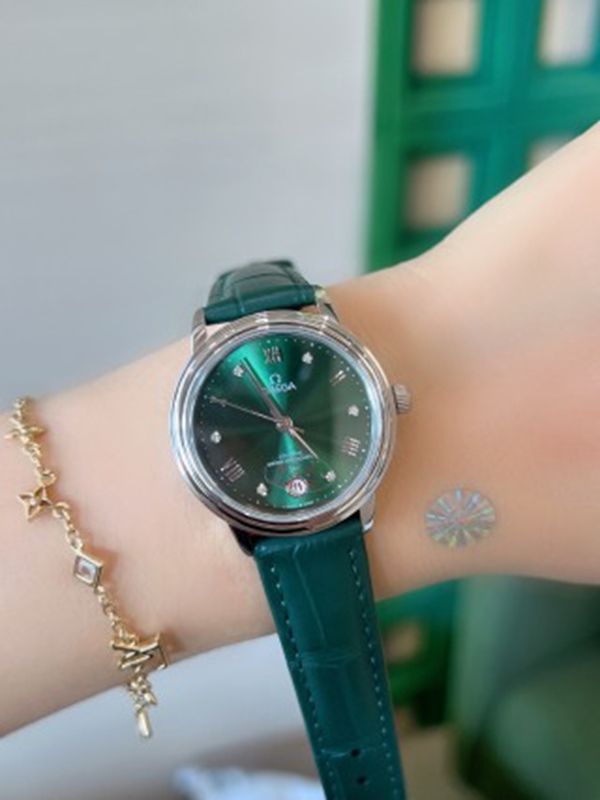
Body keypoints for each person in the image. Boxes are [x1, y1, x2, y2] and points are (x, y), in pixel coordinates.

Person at [1, 123, 599, 739]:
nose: (286, 425)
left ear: (388, 399)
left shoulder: (350, 413)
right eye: (276, 421)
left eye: (291, 419)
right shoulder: (220, 414)